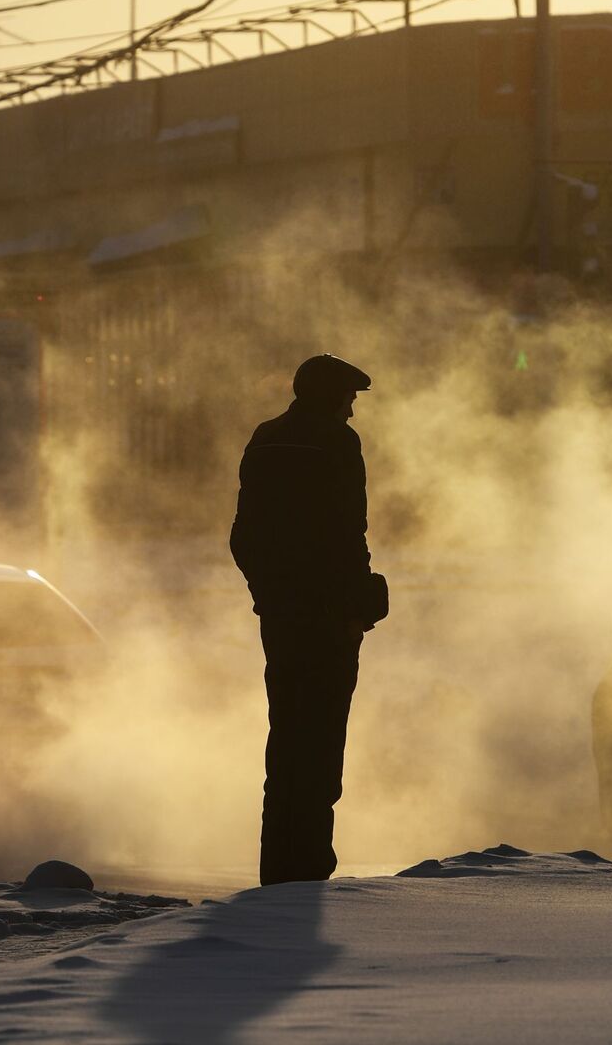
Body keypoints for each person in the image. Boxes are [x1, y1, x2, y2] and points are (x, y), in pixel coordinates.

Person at [230, 353, 387, 885]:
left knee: (286, 743)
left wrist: (269, 598)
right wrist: (352, 610)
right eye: (349, 399)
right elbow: (347, 537)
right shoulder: (337, 444)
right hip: (326, 622)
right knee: (320, 749)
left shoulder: (265, 438)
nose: (352, 410)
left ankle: (277, 872)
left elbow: (245, 539)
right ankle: (309, 872)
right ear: (331, 397)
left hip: (280, 619)